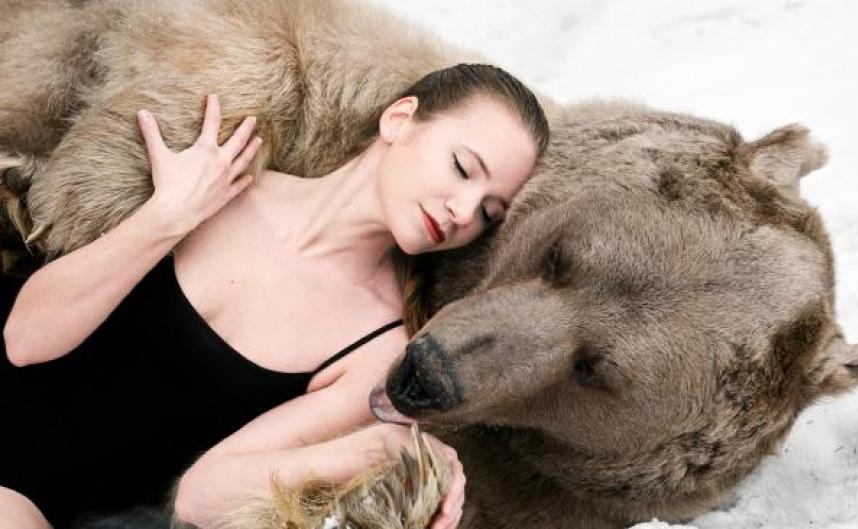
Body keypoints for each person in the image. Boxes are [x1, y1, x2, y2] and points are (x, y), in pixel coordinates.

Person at [0, 63, 550, 529]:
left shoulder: (377, 348)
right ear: (399, 119)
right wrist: (169, 216)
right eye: (462, 169)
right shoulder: (220, 180)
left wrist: (376, 449)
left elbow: (198, 496)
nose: (462, 210)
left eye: (488, 211)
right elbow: (25, 339)